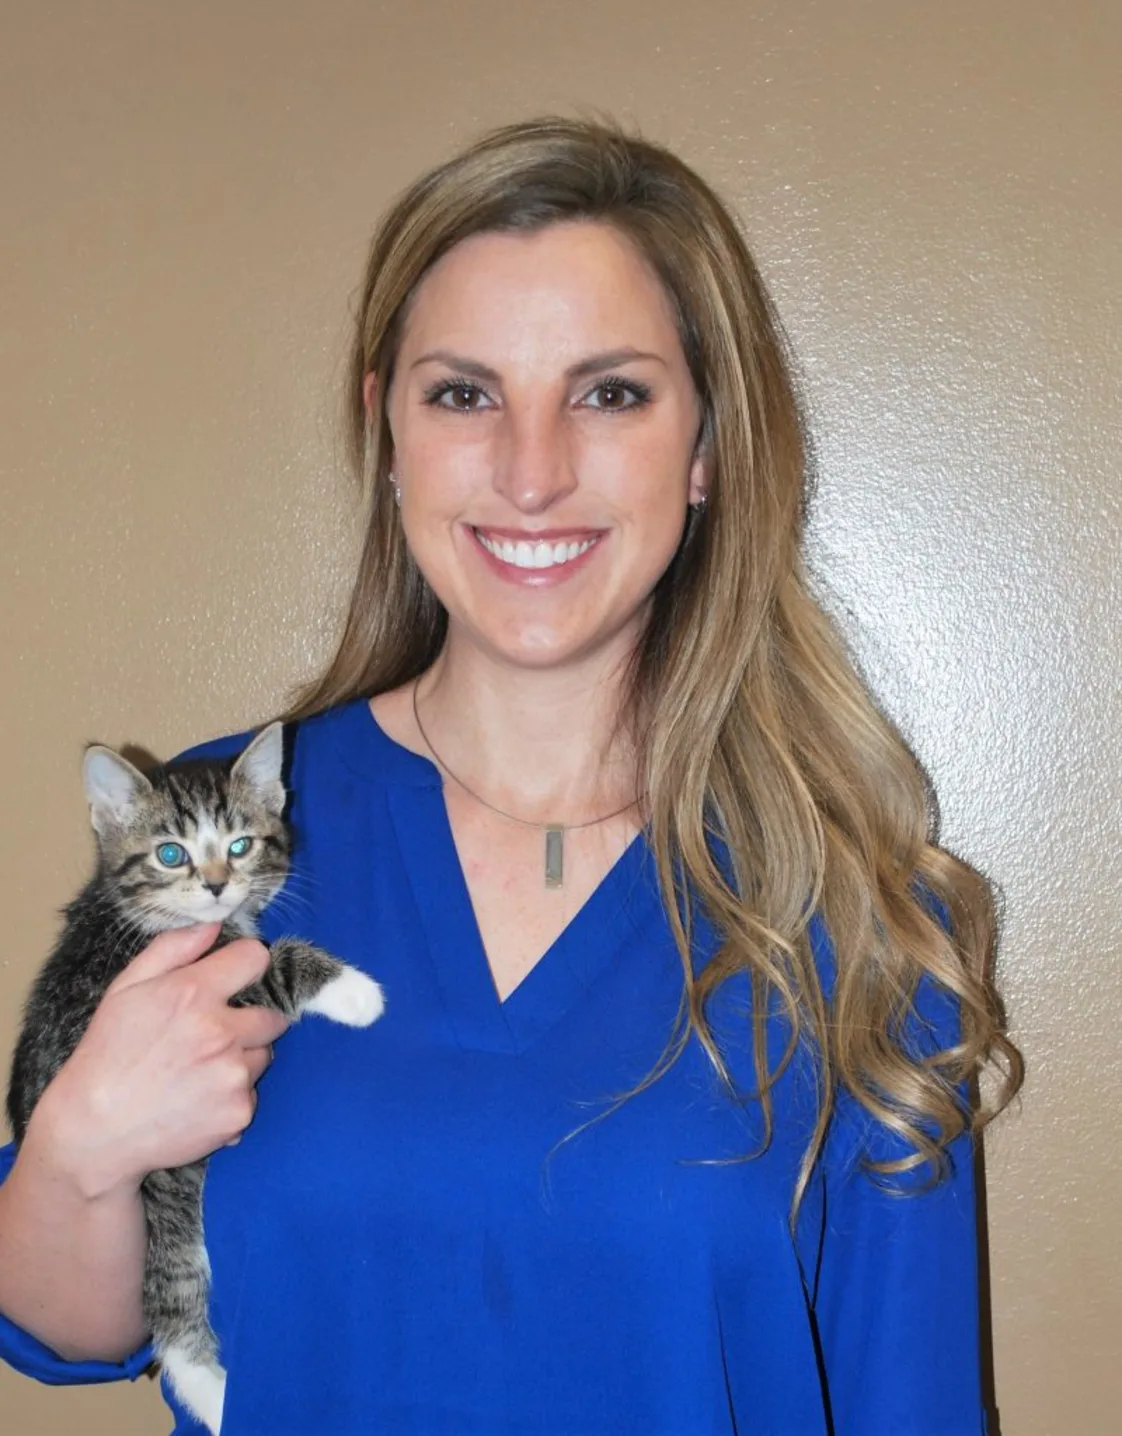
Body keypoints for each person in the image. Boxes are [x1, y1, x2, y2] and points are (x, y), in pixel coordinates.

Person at [0, 116, 1023, 1435]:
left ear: (704, 444)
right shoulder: (221, 844)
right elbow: (84, 1324)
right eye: (463, 393)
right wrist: (78, 1150)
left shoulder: (852, 910)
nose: (531, 474)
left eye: (608, 393)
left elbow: (908, 1398)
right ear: (387, 434)